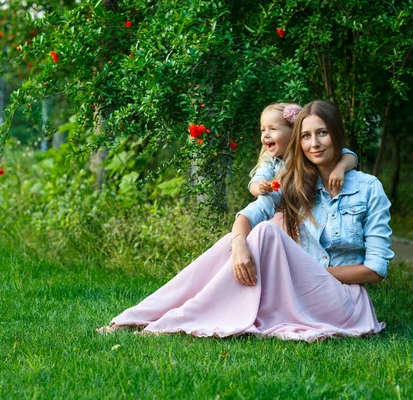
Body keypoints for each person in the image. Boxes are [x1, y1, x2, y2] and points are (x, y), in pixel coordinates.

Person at [98, 101, 394, 342]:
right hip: (301, 293)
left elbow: (375, 270)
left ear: (337, 136)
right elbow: (249, 214)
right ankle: (140, 315)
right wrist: (240, 244)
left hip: (343, 303)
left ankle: (184, 317)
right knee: (233, 241)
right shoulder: (293, 182)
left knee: (266, 232)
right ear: (298, 141)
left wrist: (313, 272)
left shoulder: (369, 188)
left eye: (323, 133)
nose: (314, 143)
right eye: (305, 136)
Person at [249, 103, 357, 198]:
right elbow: (254, 183)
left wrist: (340, 168)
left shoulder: (306, 152)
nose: (266, 135)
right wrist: (259, 187)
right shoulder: (270, 162)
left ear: (294, 132)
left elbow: (349, 155)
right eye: (263, 130)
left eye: (273, 129)